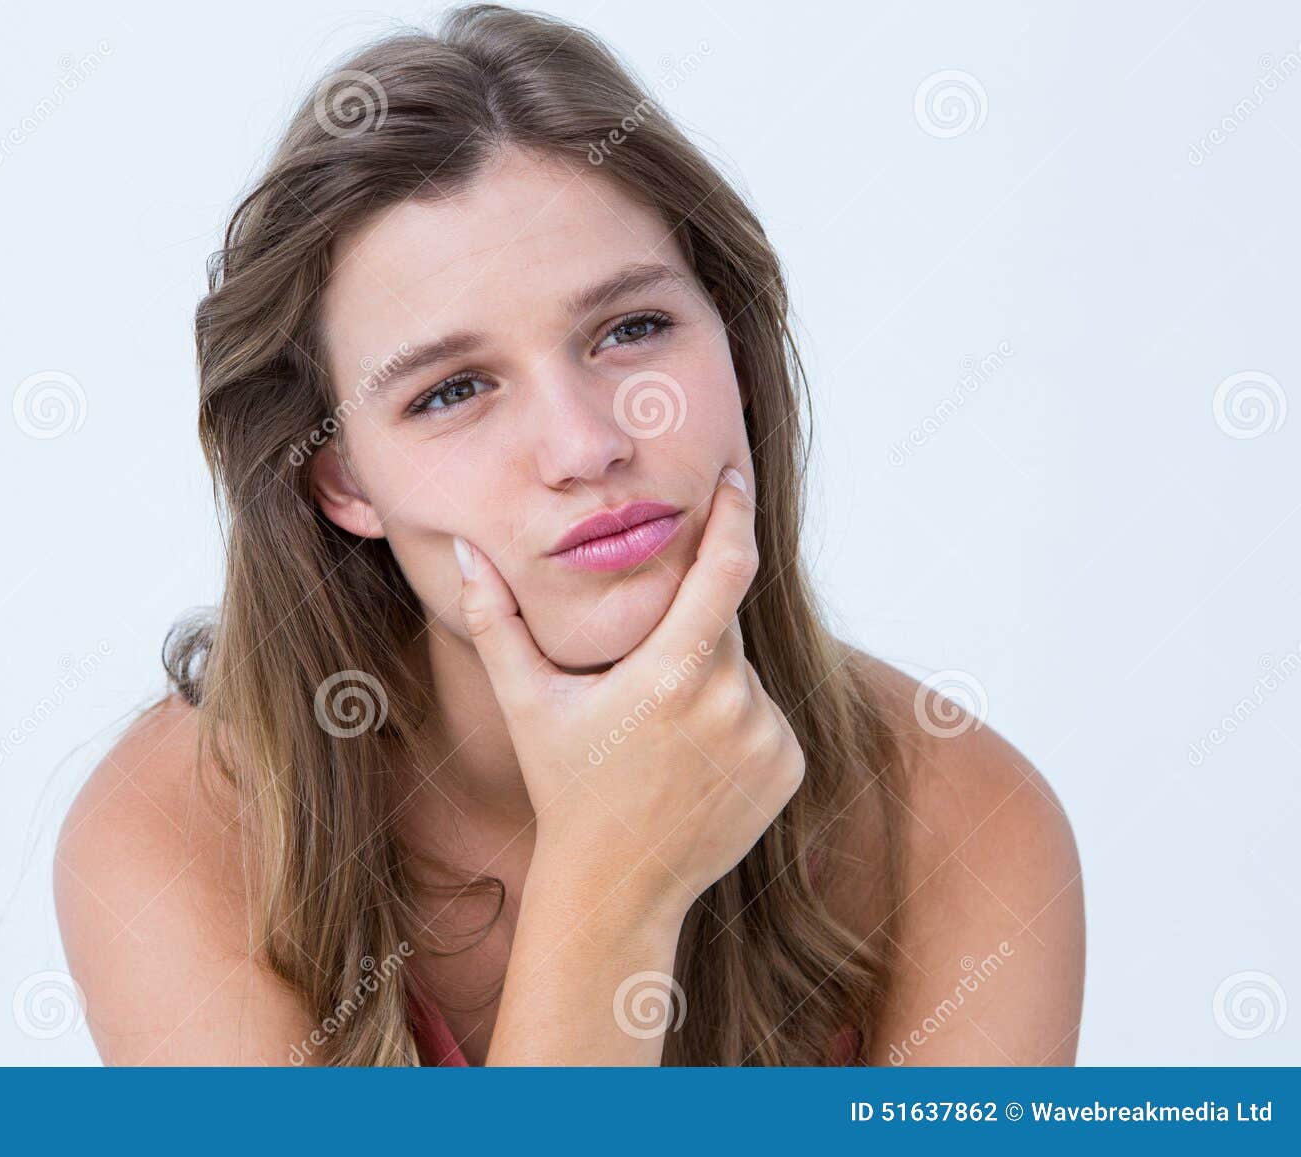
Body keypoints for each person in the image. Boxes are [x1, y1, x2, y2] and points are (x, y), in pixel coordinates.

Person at [54, 2, 1084, 1066]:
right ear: (341, 477)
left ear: (734, 349)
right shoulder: (178, 831)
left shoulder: (960, 817)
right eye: (452, 391)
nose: (587, 444)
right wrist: (613, 880)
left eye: (632, 329)